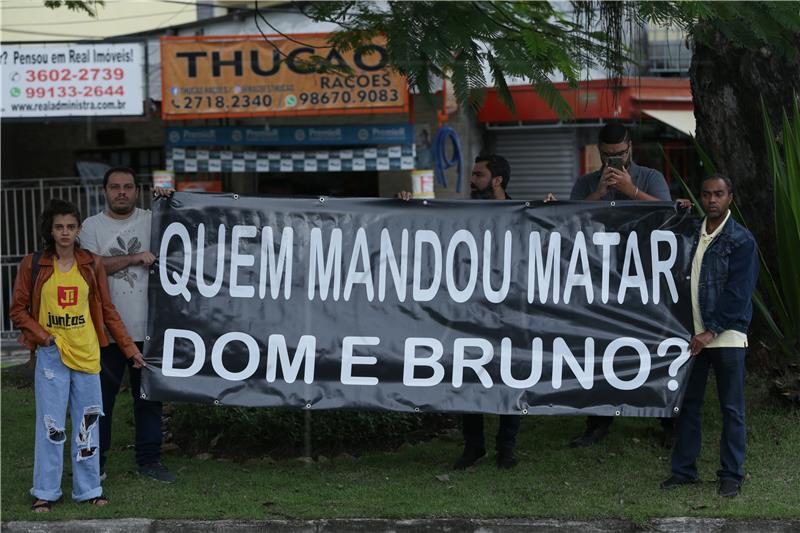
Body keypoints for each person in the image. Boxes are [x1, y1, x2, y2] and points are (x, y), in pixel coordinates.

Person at [10, 199, 145, 512]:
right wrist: (43, 336)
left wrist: (129, 348)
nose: (65, 233)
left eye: (71, 227)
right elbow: (18, 309)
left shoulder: (91, 264)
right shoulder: (34, 264)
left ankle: (88, 489)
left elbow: (107, 310)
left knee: (88, 423)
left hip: (87, 355)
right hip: (51, 357)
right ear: (51, 230)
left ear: (79, 229)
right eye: (59, 227)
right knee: (50, 425)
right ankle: (45, 491)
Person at [555, 122, 675, 448]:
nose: (614, 161)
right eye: (608, 156)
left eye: (619, 154)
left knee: (654, 346)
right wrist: (598, 195)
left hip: (644, 275)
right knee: (600, 347)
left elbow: (666, 215)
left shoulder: (650, 177)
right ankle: (598, 421)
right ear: (599, 153)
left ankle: (667, 420)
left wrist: (629, 191)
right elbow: (570, 222)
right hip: (601, 278)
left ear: (630, 149)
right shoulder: (585, 183)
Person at [400, 154, 520, 469]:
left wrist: (553, 208)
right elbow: (430, 228)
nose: (471, 180)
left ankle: (506, 448)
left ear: (497, 180)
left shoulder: (523, 214)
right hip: (470, 312)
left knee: (510, 377)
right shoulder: (461, 213)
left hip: (508, 310)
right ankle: (474, 446)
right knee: (470, 376)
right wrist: (408, 206)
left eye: (478, 175)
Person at [661, 175, 758, 498]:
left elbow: (739, 294)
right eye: (706, 194)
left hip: (725, 337)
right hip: (694, 337)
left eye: (719, 194)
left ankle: (731, 475)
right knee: (688, 405)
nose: (712, 200)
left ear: (730, 197)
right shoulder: (691, 233)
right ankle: (684, 471)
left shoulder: (741, 240)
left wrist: (711, 330)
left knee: (732, 408)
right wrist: (678, 209)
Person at [80, 167, 176, 483]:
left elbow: (180, 237)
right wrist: (134, 257)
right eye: (115, 187)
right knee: (99, 402)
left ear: (137, 190)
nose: (122, 192)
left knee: (148, 400)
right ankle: (95, 463)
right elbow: (91, 268)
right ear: (105, 191)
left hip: (147, 330)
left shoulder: (153, 219)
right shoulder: (90, 226)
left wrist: (168, 195)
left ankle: (150, 461)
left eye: (128, 187)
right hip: (104, 333)